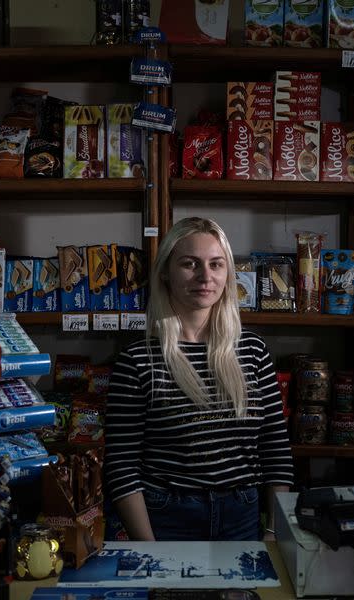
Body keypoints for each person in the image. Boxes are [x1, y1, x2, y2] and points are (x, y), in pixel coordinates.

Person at [104, 217, 294, 541]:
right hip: (166, 519)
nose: (206, 276)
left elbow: (275, 448)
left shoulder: (253, 351)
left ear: (227, 273)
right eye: (190, 264)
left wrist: (275, 531)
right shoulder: (137, 360)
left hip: (242, 515)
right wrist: (149, 549)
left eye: (216, 264)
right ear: (165, 271)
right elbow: (121, 467)